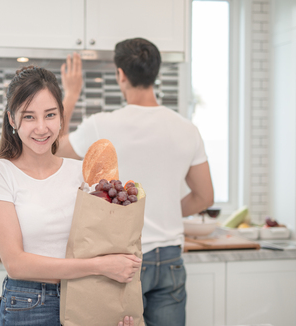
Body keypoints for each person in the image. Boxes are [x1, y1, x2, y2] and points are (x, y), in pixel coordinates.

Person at [56, 38, 214, 326]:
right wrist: (162, 212)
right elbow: (204, 197)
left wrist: (71, 93)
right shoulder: (187, 129)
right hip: (169, 258)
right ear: (156, 73)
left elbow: (53, 148)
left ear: (120, 75)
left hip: (121, 260)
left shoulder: (101, 125)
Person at [0, 65, 141, 326]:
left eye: (50, 115)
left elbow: (103, 244)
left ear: (61, 117)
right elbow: (16, 264)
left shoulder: (82, 173)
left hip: (86, 296)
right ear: (11, 119)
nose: (41, 128)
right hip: (29, 305)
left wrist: (116, 305)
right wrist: (101, 267)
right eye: (29, 117)